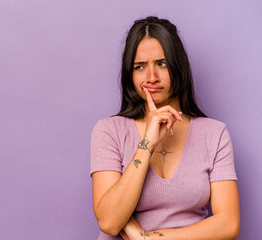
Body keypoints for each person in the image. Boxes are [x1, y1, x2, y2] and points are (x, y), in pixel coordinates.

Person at [90, 16, 240, 240]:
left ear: (178, 66)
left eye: (162, 64)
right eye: (140, 67)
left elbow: (228, 224)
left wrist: (148, 238)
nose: (151, 77)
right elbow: (110, 222)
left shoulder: (214, 134)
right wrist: (147, 143)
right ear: (130, 75)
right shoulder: (109, 131)